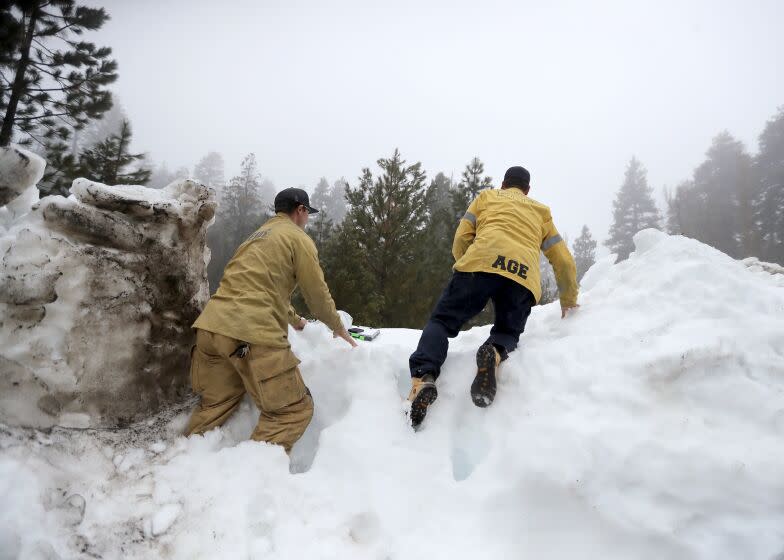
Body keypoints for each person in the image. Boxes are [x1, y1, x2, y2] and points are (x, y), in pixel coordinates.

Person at [185, 187, 356, 452]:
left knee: (215, 405)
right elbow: (317, 294)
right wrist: (338, 327)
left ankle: (182, 461)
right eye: (307, 213)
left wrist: (296, 320)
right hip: (252, 334)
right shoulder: (298, 239)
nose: (307, 219)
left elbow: (257, 286)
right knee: (292, 411)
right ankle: (251, 478)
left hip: (211, 328)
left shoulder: (254, 238)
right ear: (300, 210)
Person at [407, 166, 579, 427]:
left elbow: (461, 237)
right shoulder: (541, 213)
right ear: (527, 190)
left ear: (503, 184)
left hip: (481, 263)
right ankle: (494, 351)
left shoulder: (486, 197)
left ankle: (424, 377)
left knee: (442, 322)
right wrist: (568, 298)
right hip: (522, 277)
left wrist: (467, 266)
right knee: (508, 331)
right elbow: (563, 261)